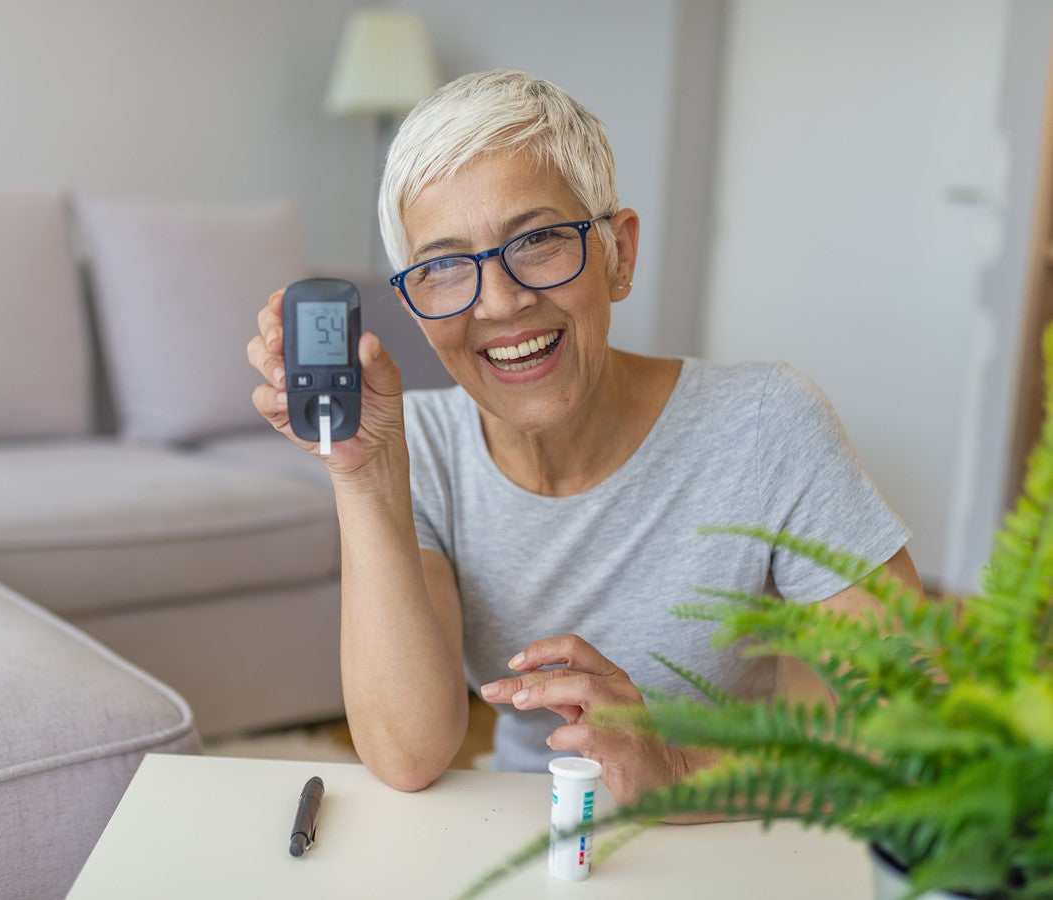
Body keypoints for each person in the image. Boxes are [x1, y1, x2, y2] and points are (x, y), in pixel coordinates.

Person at [246, 70, 923, 811]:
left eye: (536, 240)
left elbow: (919, 733)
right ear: (413, 299)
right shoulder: (422, 447)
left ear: (618, 254)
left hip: (728, 829)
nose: (500, 303)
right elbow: (408, 754)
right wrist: (363, 474)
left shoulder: (765, 424)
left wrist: (677, 767)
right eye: (442, 266)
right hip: (519, 831)